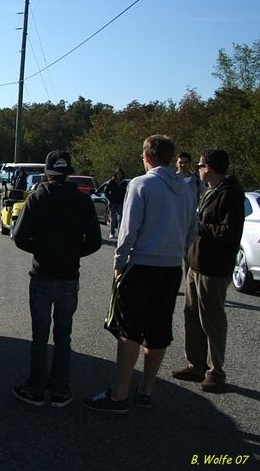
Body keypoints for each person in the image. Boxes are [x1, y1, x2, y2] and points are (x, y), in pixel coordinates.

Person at [85, 135, 197, 413]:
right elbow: (193, 231)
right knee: (158, 329)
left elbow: (128, 228)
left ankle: (119, 394)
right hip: (171, 268)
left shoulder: (141, 183)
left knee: (129, 330)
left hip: (142, 266)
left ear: (147, 156)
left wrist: (119, 261)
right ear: (170, 158)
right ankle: (146, 390)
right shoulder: (186, 188)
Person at [11, 150, 102, 407]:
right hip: (68, 276)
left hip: (41, 276)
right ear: (68, 172)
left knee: (40, 334)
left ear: (47, 173)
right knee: (64, 335)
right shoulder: (82, 201)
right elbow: (94, 241)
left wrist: (39, 250)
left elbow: (19, 237)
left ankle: (35, 388)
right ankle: (60, 390)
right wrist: (73, 253)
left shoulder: (37, 199)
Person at [171, 148, 244, 392]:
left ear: (208, 168)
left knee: (212, 321)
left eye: (200, 165)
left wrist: (200, 226)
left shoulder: (230, 194)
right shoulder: (210, 191)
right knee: (191, 316)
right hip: (195, 264)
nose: (198, 169)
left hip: (213, 268)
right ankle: (196, 365)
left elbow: (230, 233)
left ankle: (216, 372)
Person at [176, 151, 206, 280]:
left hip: (191, 221)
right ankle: (174, 283)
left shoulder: (197, 180)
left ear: (189, 163)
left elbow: (205, 196)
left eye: (185, 162)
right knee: (175, 254)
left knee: (189, 254)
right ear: (176, 163)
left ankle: (189, 282)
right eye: (180, 162)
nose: (183, 165)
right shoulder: (172, 179)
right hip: (174, 220)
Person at [103, 168, 128, 240]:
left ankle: (120, 233)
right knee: (113, 218)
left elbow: (127, 192)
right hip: (112, 202)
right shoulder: (111, 182)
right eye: (117, 173)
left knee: (120, 218)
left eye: (120, 173)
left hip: (121, 202)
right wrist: (110, 199)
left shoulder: (124, 183)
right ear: (115, 174)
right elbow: (106, 192)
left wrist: (125, 199)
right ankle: (112, 232)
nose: (119, 175)